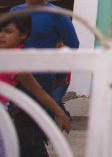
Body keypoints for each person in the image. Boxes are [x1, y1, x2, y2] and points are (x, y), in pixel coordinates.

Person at [0, 12, 71, 156]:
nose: (1, 35)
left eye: (8, 31)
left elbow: (39, 92)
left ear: (23, 35)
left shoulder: (15, 60)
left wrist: (60, 114)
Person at [10, 0, 80, 96]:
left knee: (36, 113)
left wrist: (61, 74)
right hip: (13, 72)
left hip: (41, 77)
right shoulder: (14, 12)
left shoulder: (57, 14)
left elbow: (73, 45)